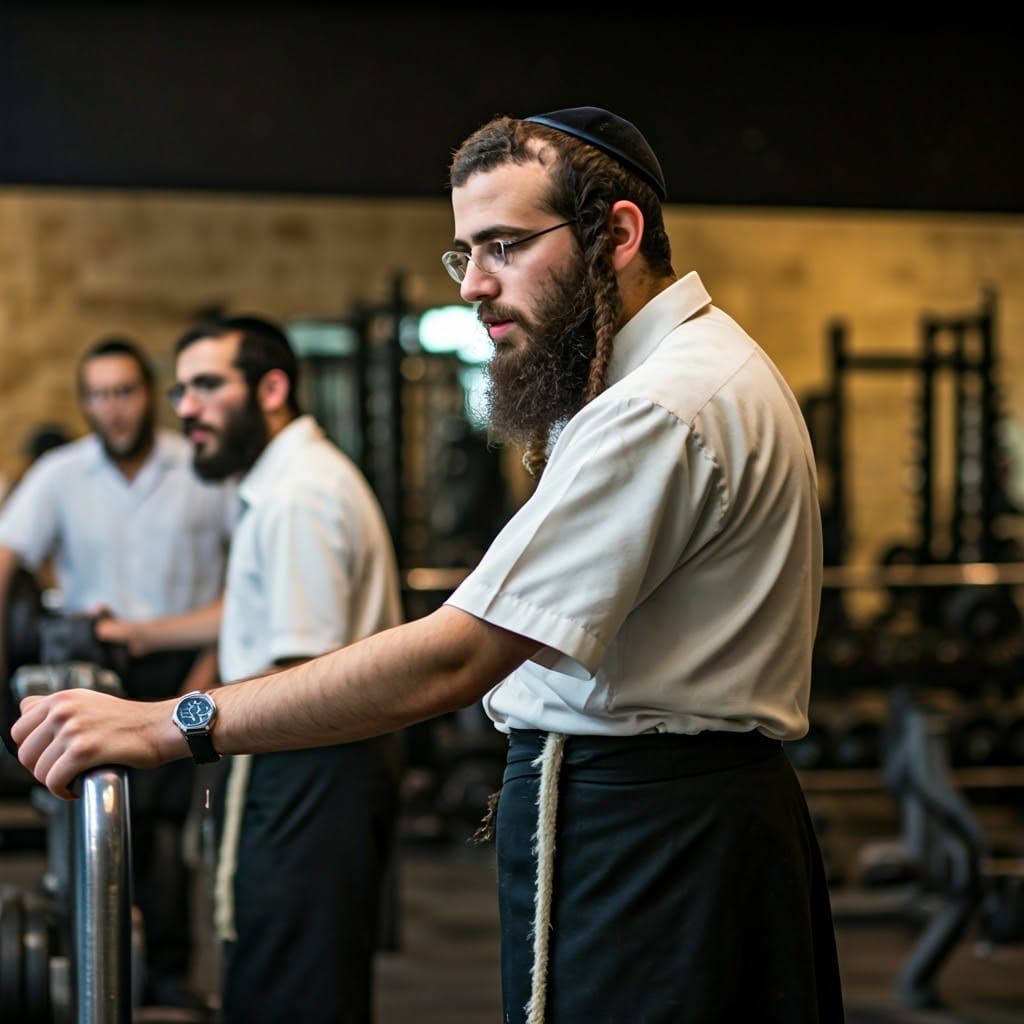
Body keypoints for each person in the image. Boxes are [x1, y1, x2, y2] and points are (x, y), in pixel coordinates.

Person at [14, 107, 845, 1023]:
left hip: (656, 836)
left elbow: (457, 656)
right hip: (660, 820)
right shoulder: (665, 381)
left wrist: (167, 724)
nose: (475, 286)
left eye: (503, 245)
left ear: (616, 233)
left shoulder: (661, 405)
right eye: (465, 254)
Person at [93, 315, 405, 1024]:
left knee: (293, 985)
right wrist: (135, 635)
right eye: (179, 391)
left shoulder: (299, 495)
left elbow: (312, 675)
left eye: (206, 386)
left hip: (312, 764)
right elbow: (248, 612)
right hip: (300, 759)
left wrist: (171, 724)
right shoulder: (281, 479)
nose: (185, 410)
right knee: (278, 966)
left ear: (271, 387)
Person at [0, 336, 236, 1008]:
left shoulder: (199, 467)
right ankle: (91, 969)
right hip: (91, 666)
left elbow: (243, 574)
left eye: (126, 392)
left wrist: (209, 670)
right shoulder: (61, 474)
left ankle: (166, 973)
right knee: (85, 819)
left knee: (162, 833)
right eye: (101, 395)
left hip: (182, 661)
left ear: (149, 395)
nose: (115, 408)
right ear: (86, 403)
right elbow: (7, 553)